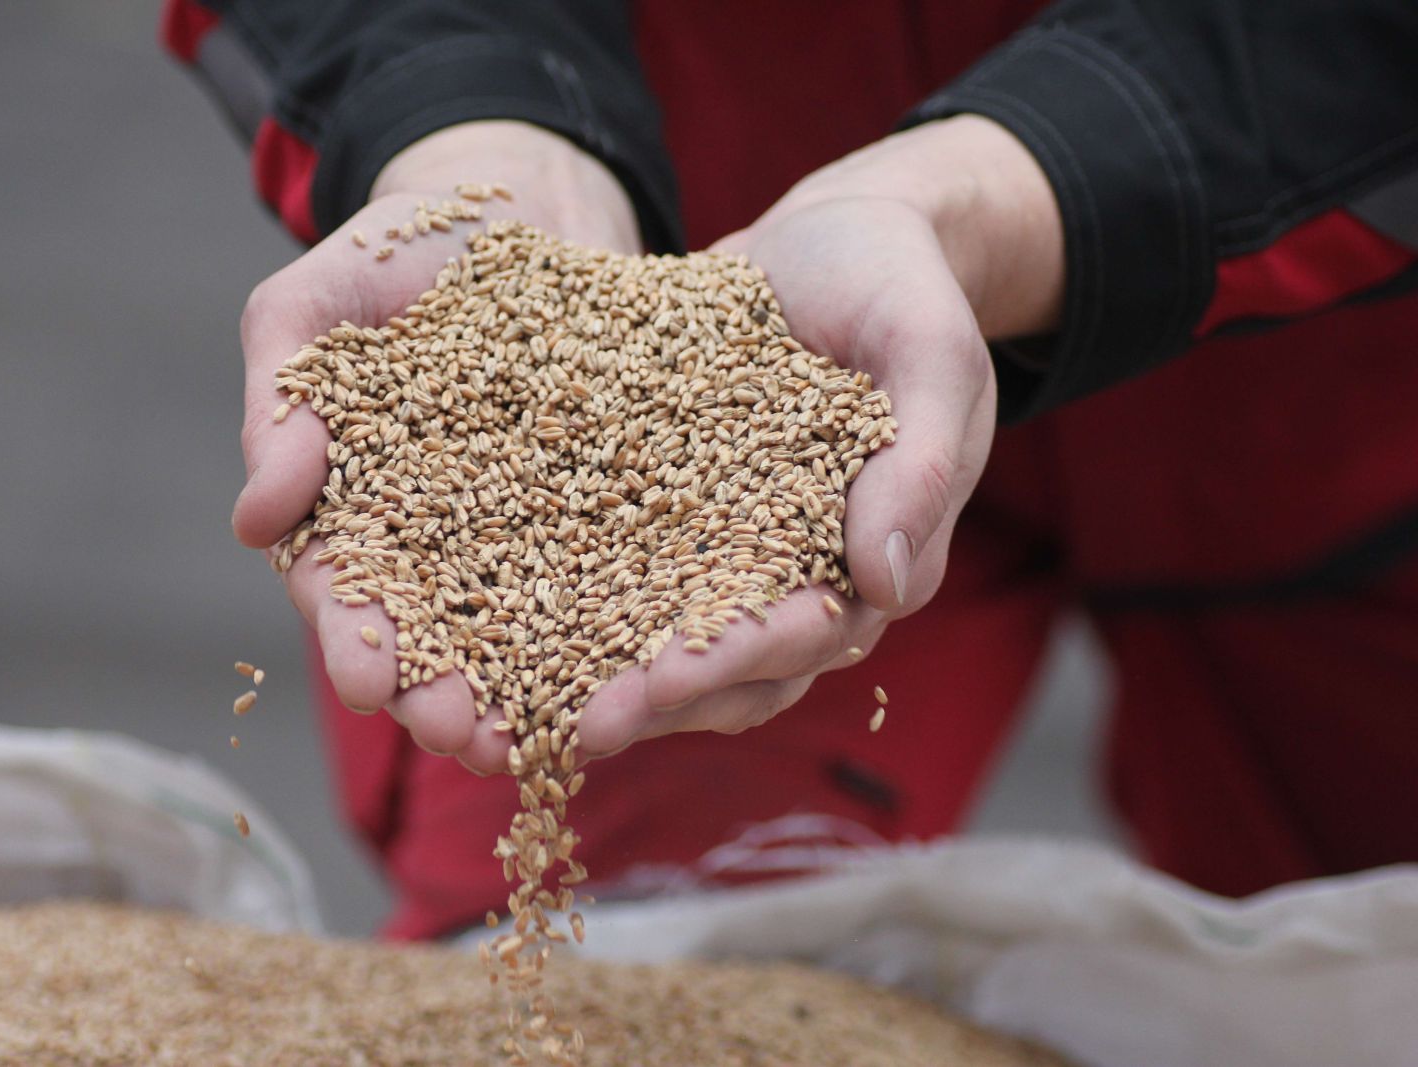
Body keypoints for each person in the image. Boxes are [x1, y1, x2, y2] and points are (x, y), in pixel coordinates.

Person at [162, 0, 1418, 939]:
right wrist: (466, 110)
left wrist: (994, 194)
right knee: (626, 957)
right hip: (723, 267)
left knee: (1358, 956)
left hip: (1314, 337)